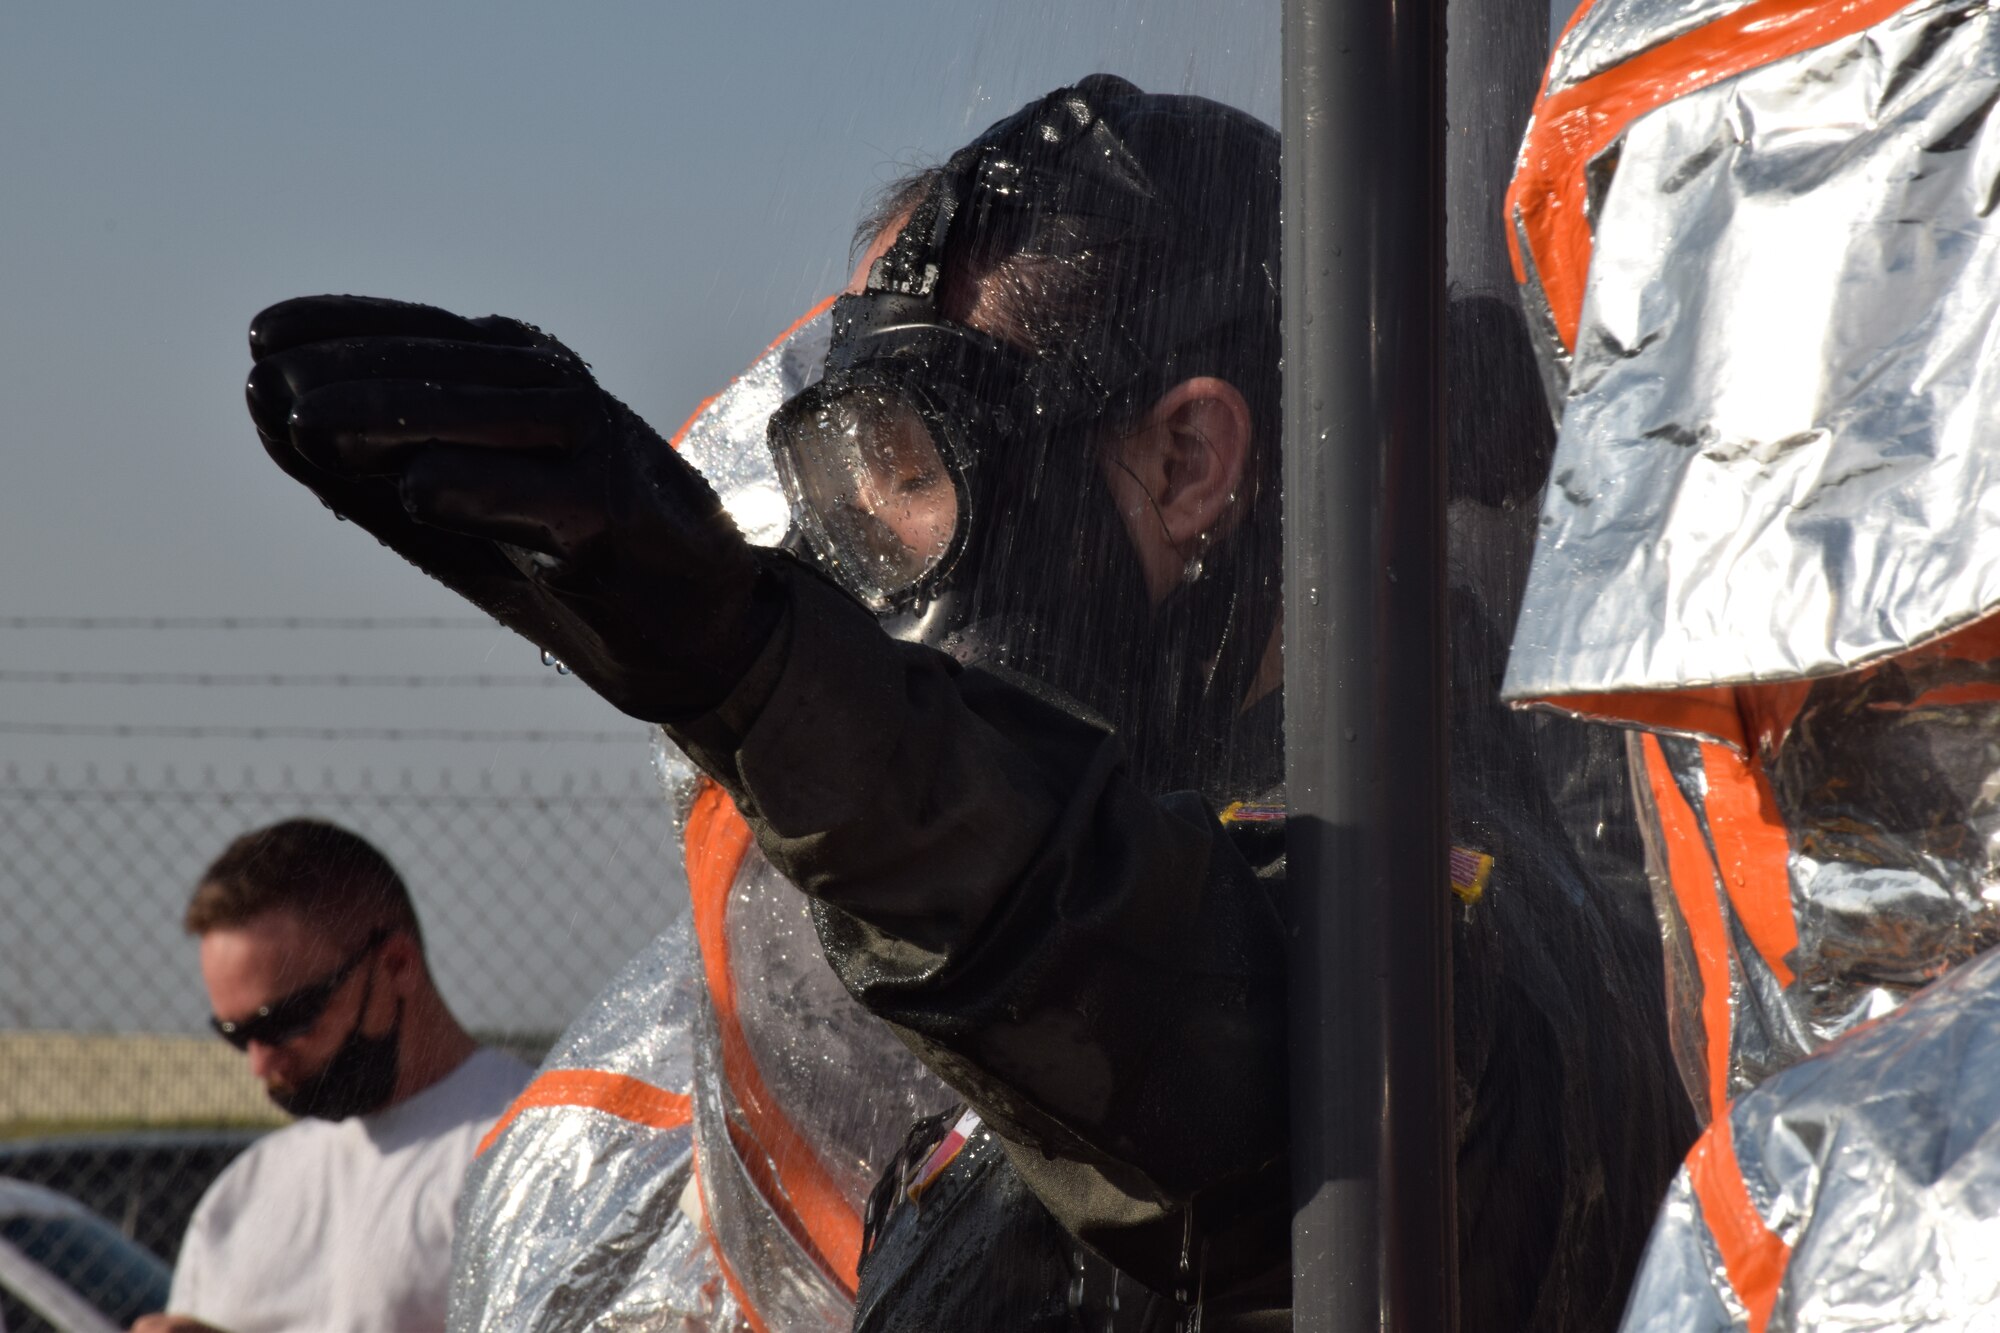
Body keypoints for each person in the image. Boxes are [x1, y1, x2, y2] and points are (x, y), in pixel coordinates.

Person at [243, 76, 1688, 1330]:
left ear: (1192, 457)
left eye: (917, 472)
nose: (869, 583)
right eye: (841, 501)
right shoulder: (1133, 855)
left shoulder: (1451, 898)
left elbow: (1212, 1029)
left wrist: (752, 667)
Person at [131, 818, 532, 1333]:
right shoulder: (241, 1195)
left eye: (286, 1020)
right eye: (235, 1033)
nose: (259, 1063)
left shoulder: (527, 1152)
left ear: (396, 966)